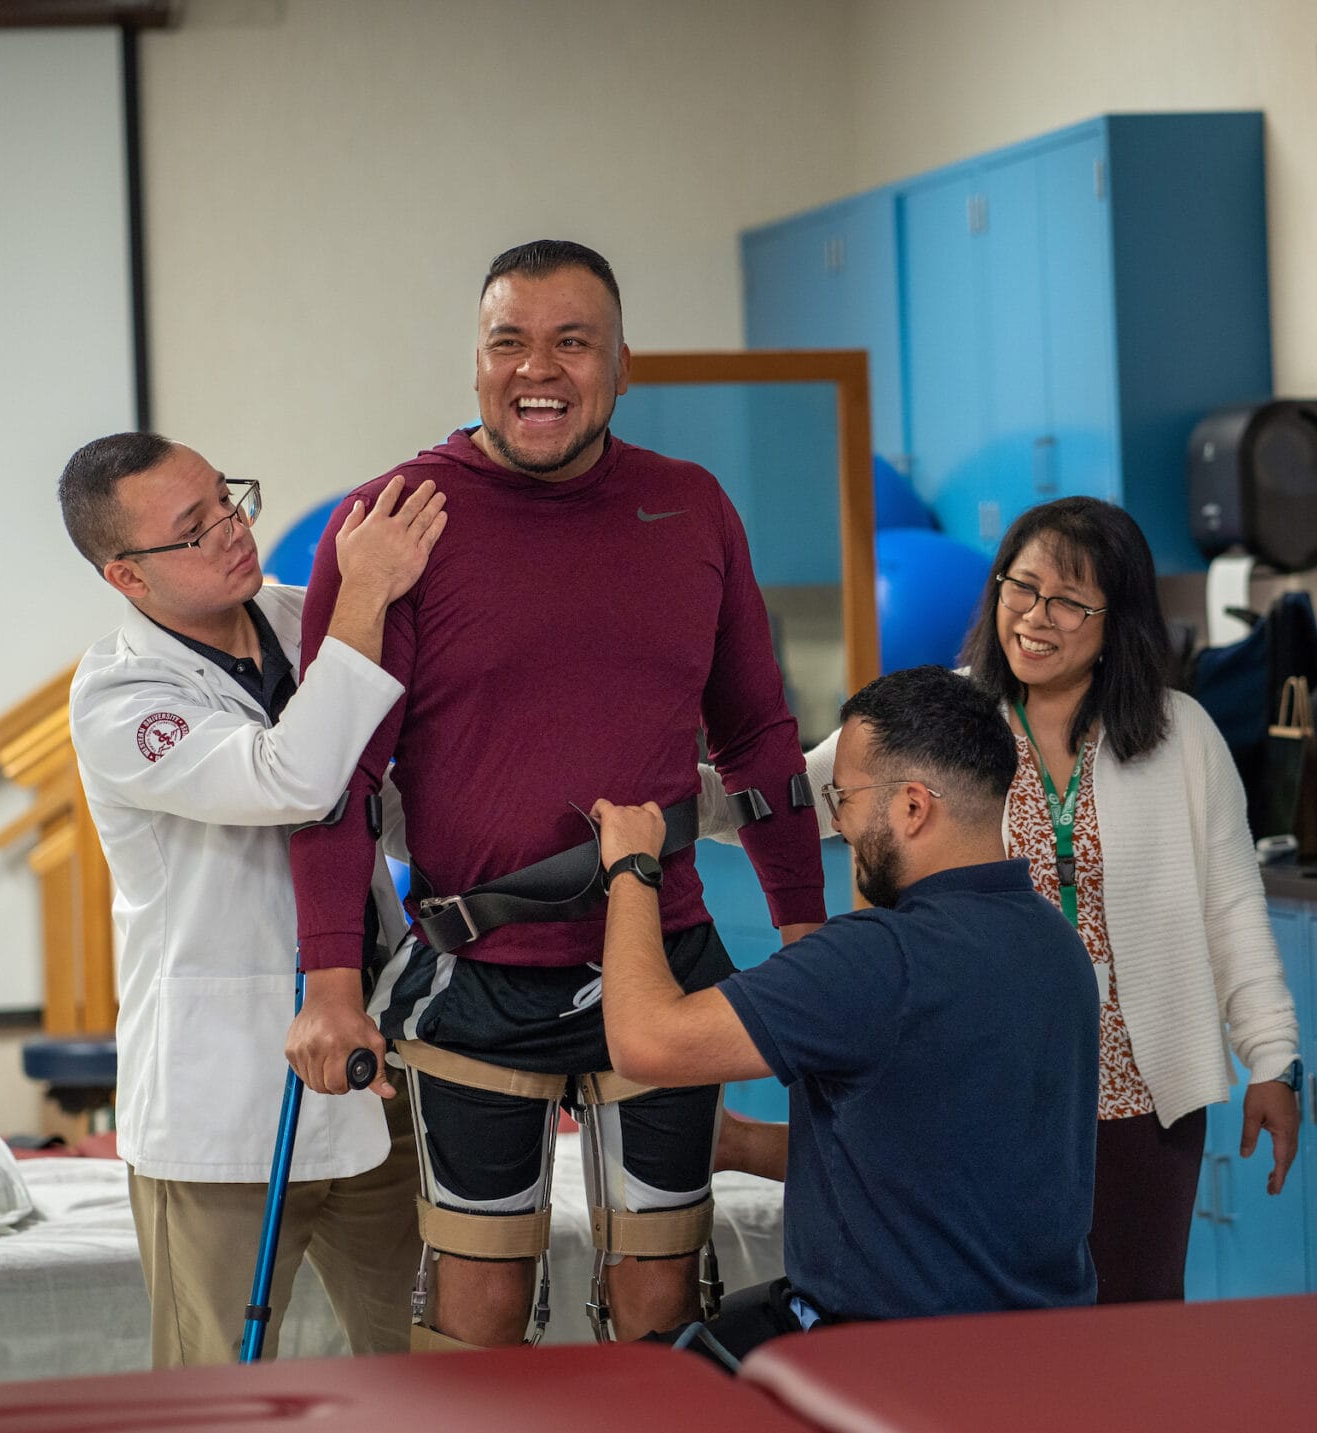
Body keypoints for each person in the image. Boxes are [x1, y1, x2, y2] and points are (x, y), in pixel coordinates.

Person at [284, 240, 826, 1351]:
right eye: (509, 341)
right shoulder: (391, 524)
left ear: (621, 365)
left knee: (660, 1294)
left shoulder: (690, 508)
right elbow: (336, 772)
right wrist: (330, 983)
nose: (540, 367)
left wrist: (805, 925)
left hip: (661, 961)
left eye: (572, 341)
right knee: (476, 1311)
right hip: (479, 972)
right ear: (475, 362)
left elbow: (759, 735)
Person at [703, 496, 1301, 1305]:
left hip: (1136, 1095)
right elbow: (794, 800)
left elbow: (1232, 910)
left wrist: (1272, 1058)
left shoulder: (1180, 734)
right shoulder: (943, 716)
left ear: (1115, 619)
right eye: (1022, 587)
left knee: (1133, 1322)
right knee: (984, 1323)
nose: (1036, 617)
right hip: (979, 1078)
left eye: (1069, 602)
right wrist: (674, 805)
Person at [61, 431, 444, 1365]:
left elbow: (385, 802)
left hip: (373, 1069)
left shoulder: (304, 618)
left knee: (427, 1368)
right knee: (212, 1395)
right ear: (128, 577)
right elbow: (295, 780)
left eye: (229, 501)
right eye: (195, 529)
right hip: (217, 1112)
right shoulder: (119, 696)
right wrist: (366, 595)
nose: (235, 531)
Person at [592, 665, 1099, 1359]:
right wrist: (741, 1146)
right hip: (1035, 1343)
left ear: (913, 807)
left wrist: (631, 870)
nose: (836, 820)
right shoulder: (1057, 947)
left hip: (884, 1356)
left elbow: (644, 1041)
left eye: (845, 796)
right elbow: (934, 1161)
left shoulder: (879, 958)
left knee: (634, 1384)